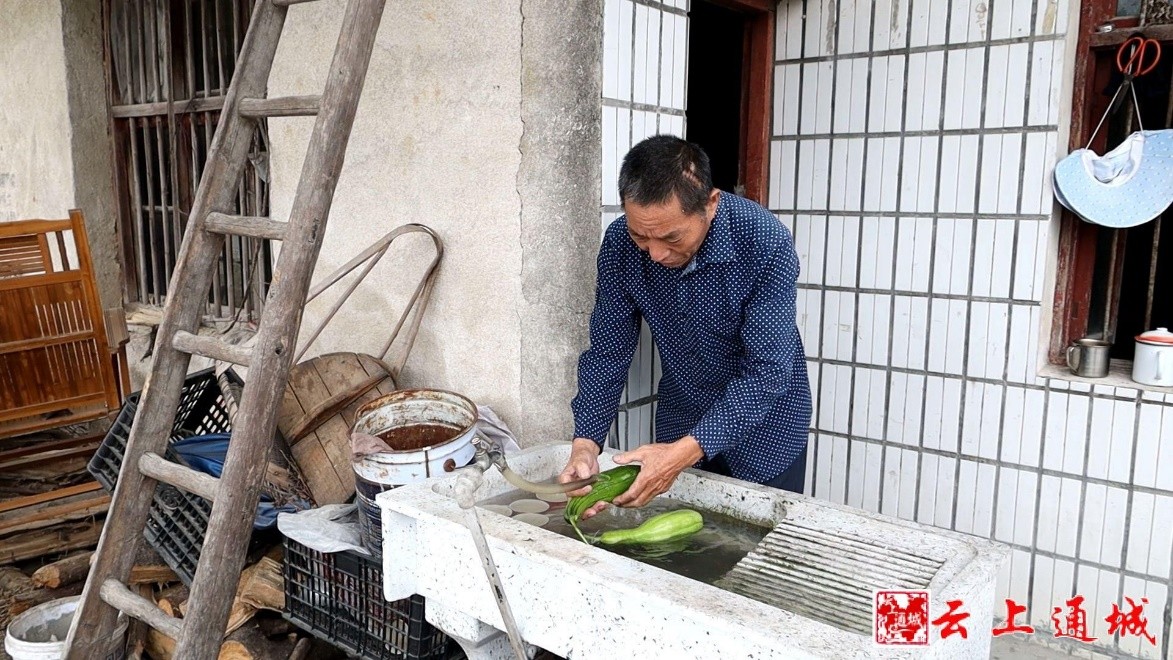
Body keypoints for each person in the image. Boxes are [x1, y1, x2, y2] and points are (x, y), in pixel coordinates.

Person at [559, 134, 812, 519]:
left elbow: (767, 372)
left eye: (671, 237)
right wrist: (585, 445)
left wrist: (682, 454)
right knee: (681, 542)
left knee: (760, 544)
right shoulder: (619, 245)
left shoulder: (763, 240)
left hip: (767, 432)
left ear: (710, 204)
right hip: (682, 416)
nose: (656, 253)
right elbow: (608, 351)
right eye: (641, 236)